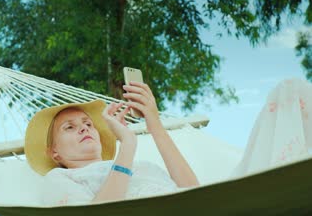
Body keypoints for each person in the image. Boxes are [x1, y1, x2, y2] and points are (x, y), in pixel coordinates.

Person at [24, 81, 199, 205]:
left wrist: (155, 125)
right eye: (69, 127)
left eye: (88, 124)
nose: (84, 129)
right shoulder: (59, 178)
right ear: (54, 152)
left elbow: (197, 196)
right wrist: (128, 145)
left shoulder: (145, 166)